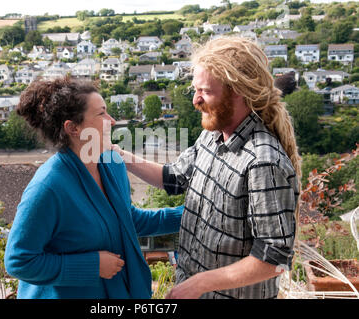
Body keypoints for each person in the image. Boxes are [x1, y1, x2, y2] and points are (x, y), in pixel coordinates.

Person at [112, 36, 301, 299]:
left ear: (238, 90)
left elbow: (274, 259)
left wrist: (201, 283)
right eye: (195, 90)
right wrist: (118, 154)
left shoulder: (263, 163)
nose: (195, 100)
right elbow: (175, 178)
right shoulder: (212, 136)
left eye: (205, 91)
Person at [4, 76, 183, 299]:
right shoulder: (48, 187)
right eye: (101, 114)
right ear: (73, 128)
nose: (112, 120)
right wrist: (92, 265)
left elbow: (127, 220)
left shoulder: (111, 164)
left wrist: (190, 214)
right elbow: (18, 261)